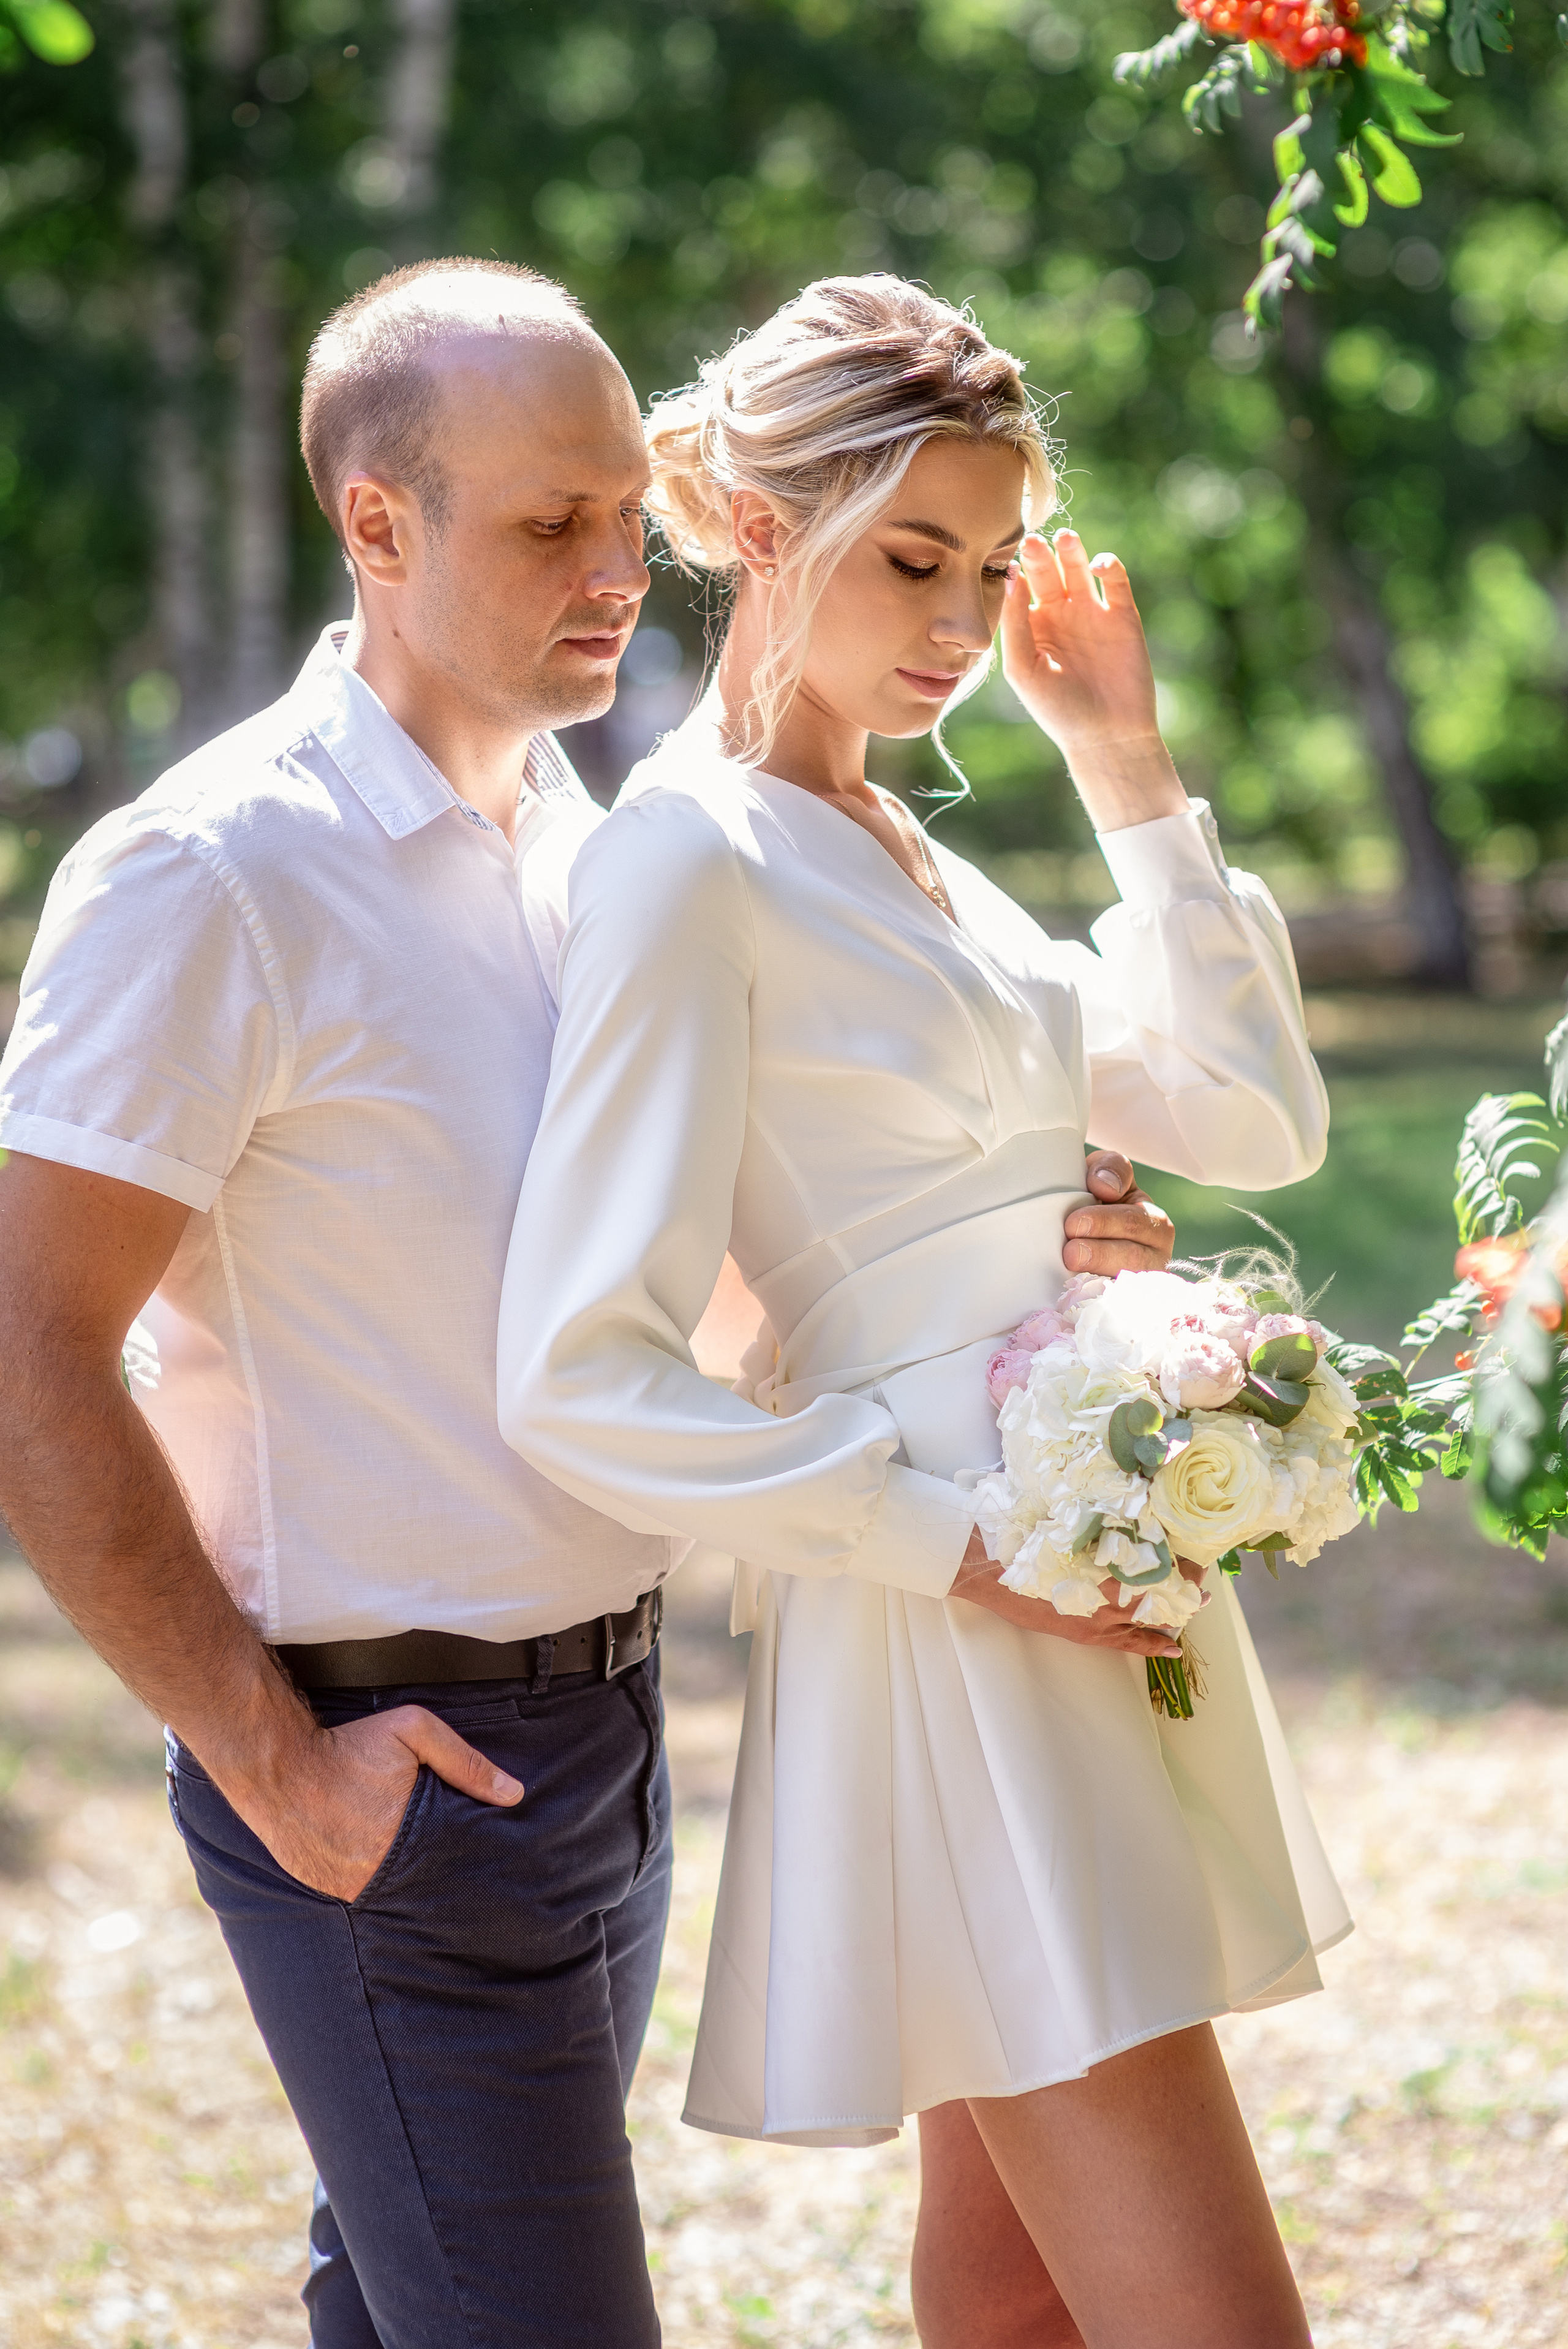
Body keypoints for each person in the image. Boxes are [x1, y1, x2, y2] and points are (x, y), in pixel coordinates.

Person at [0, 257, 1170, 2348]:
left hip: (607, 1742)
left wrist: (1022, 1237)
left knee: (403, 2304)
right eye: (554, 523)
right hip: (388, 1765)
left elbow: (692, 1291)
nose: (625, 569)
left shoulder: (590, 842)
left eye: (634, 512)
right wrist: (284, 1770)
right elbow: (28, 1352)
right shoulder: (211, 875)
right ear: (380, 524)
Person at [497, 274, 1350, 2349]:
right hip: (962, 1615)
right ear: (757, 526)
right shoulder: (687, 860)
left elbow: (1257, 1116)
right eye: (913, 559)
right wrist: (952, 1541)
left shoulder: (916, 852)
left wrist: (1126, 764)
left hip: (1070, 1585)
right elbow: (575, 1369)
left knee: (1019, 2287)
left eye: (989, 562)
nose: (964, 620)